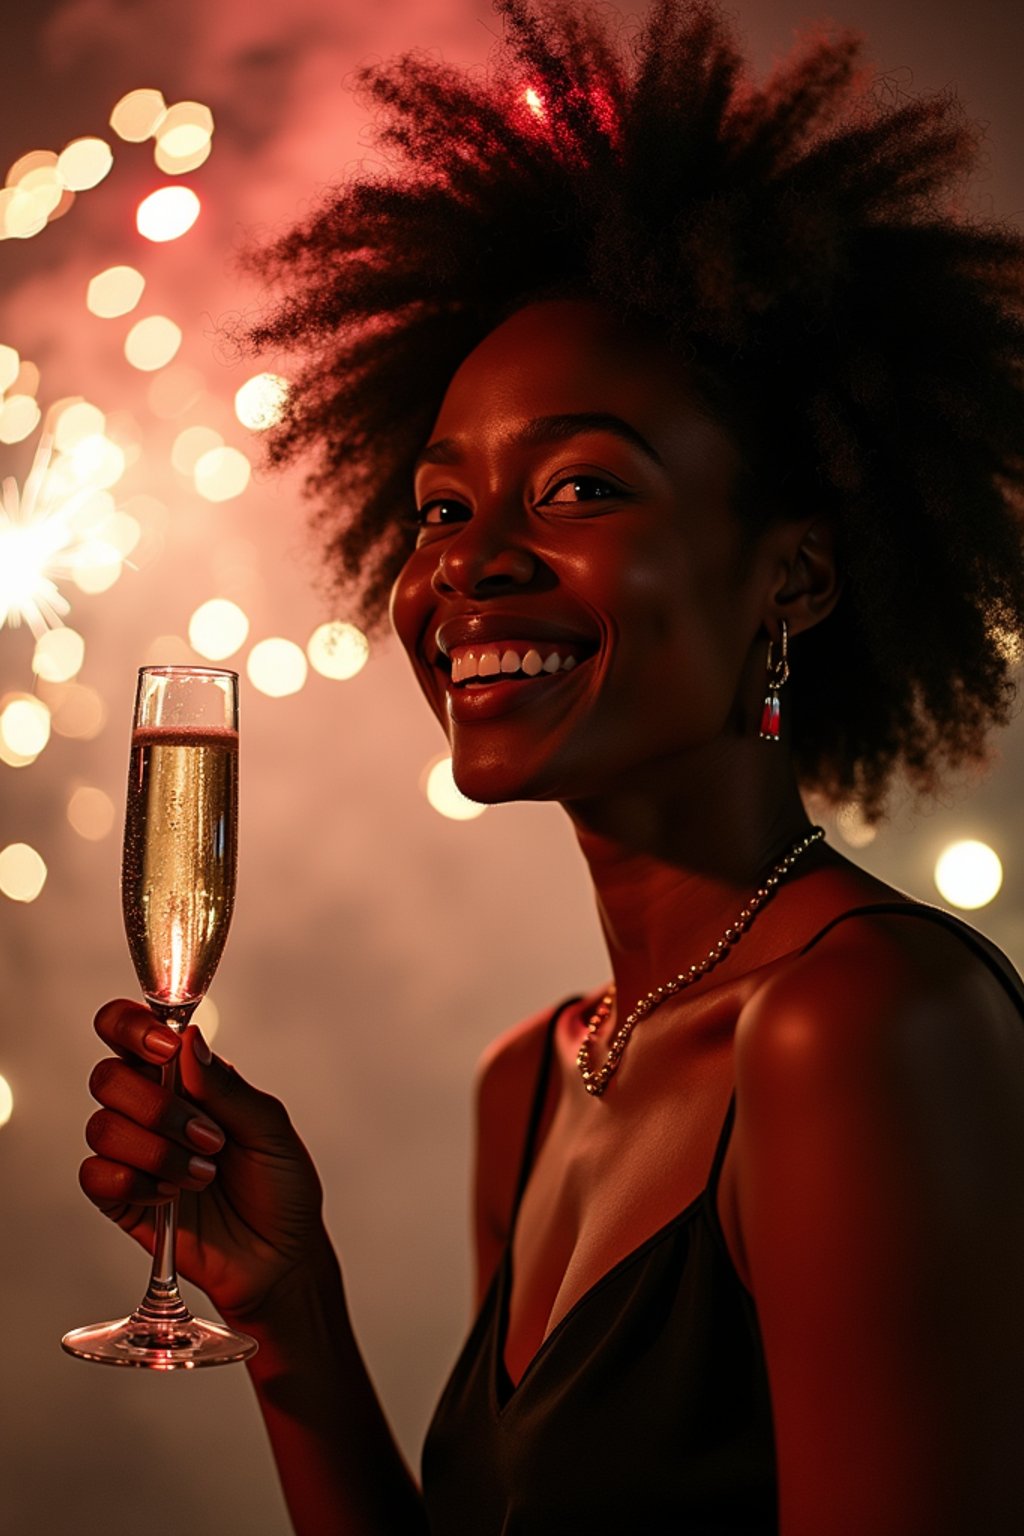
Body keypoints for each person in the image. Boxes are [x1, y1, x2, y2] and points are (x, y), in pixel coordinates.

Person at [80, 2, 1024, 1531]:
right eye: (443, 509)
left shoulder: (860, 1027)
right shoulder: (533, 1078)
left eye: (582, 485)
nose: (472, 569)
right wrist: (288, 1319)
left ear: (792, 578)